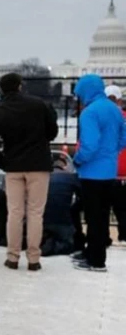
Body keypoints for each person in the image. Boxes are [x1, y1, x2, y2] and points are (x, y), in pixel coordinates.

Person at [0, 72, 58, 271]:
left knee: (15, 213)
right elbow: (52, 132)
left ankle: (13, 256)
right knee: (35, 213)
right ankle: (34, 259)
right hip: (39, 165)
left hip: (13, 166)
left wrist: (3, 162)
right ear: (20, 86)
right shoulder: (39, 104)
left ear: (1, 89)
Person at [71, 74, 126, 272]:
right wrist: (110, 153)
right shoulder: (115, 110)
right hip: (109, 171)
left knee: (93, 217)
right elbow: (123, 138)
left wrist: (77, 160)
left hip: (91, 172)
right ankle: (95, 254)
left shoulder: (89, 112)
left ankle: (95, 259)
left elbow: (89, 145)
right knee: (102, 217)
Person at [40, 158, 79, 256]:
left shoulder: (42, 177)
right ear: (64, 167)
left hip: (41, 220)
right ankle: (55, 245)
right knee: (69, 245)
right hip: (63, 221)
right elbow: (83, 196)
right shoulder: (71, 177)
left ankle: (48, 242)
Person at [105, 85, 126, 246]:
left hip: (103, 172)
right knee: (123, 209)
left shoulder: (97, 116)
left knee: (100, 209)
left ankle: (103, 238)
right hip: (122, 172)